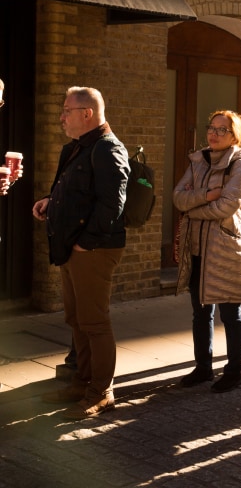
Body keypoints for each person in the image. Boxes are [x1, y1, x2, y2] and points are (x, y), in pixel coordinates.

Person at [33, 87, 130, 420]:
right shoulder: (77, 148)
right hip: (73, 247)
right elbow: (74, 188)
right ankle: (81, 382)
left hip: (93, 249)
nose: (61, 117)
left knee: (95, 322)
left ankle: (101, 392)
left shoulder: (107, 149)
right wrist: (50, 200)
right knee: (76, 319)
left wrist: (85, 242)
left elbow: (112, 204)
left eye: (66, 111)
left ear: (87, 114)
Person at [174, 110, 241, 393]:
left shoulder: (240, 161)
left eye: (222, 130)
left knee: (231, 314)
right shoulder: (198, 159)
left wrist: (193, 209)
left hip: (225, 249)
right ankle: (203, 368)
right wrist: (204, 197)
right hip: (196, 247)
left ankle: (234, 372)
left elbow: (228, 205)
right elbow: (177, 197)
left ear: (235, 136)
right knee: (200, 313)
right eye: (212, 128)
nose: (214, 134)